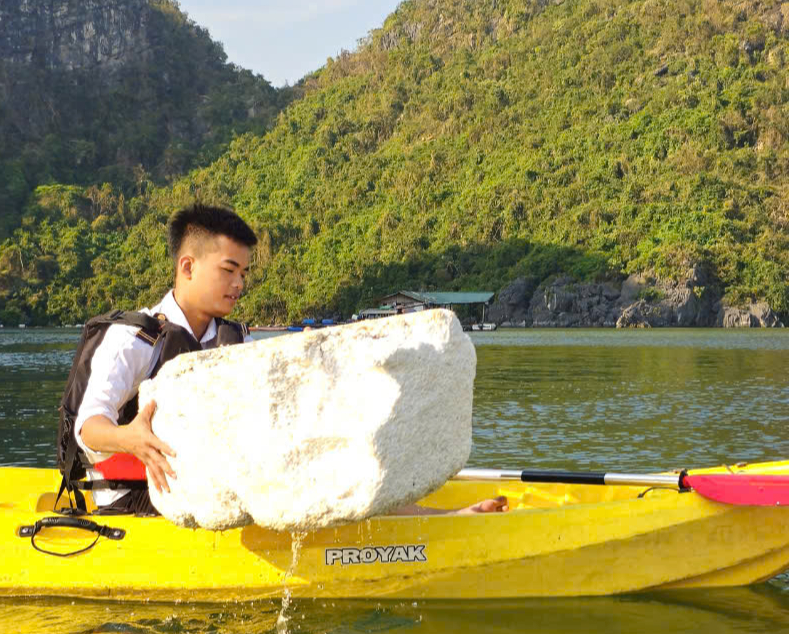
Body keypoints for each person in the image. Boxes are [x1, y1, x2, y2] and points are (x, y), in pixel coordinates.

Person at [57, 204, 505, 516]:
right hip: (133, 497)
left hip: (206, 484)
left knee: (322, 464)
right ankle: (431, 523)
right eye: (228, 270)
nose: (239, 284)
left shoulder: (230, 340)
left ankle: (434, 519)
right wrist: (133, 438)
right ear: (188, 267)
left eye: (244, 273)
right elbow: (88, 428)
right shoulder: (134, 340)